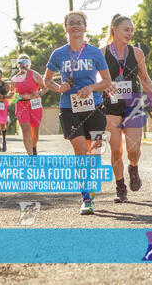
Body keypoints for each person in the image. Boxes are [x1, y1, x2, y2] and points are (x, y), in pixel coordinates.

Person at [43, 11, 111, 215]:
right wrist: (58, 87)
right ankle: (86, 198)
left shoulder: (95, 53)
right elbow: (46, 80)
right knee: (81, 152)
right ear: (66, 28)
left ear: (85, 27)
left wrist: (91, 88)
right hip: (69, 107)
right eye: (71, 23)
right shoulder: (58, 54)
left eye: (79, 23)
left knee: (94, 153)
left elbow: (107, 81)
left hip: (94, 106)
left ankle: (90, 187)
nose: (75, 26)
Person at [101, 13, 152, 203]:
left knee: (133, 150)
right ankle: (120, 187)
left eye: (132, 30)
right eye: (126, 29)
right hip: (110, 105)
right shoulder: (102, 53)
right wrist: (103, 83)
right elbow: (95, 78)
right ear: (114, 29)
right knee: (116, 149)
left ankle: (133, 167)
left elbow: (144, 78)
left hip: (133, 103)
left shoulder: (136, 53)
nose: (130, 33)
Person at [11, 54, 47, 155]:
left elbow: (45, 87)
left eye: (25, 63)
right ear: (18, 65)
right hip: (21, 106)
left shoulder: (35, 75)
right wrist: (20, 96)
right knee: (26, 129)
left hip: (35, 105)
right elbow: (12, 94)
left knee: (34, 131)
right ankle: (30, 155)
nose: (23, 65)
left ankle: (34, 146)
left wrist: (39, 93)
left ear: (29, 64)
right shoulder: (15, 79)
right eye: (20, 63)